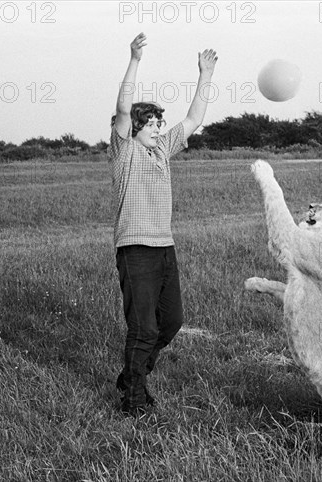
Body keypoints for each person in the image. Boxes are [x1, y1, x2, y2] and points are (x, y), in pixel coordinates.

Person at [108, 32, 217, 416]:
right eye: (150, 123)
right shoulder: (125, 154)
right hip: (135, 248)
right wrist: (134, 59)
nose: (157, 128)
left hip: (164, 247)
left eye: (158, 123)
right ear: (134, 130)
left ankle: (130, 375)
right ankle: (133, 398)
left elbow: (193, 119)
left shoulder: (162, 152)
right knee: (143, 328)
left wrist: (205, 75)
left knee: (170, 323)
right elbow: (123, 109)